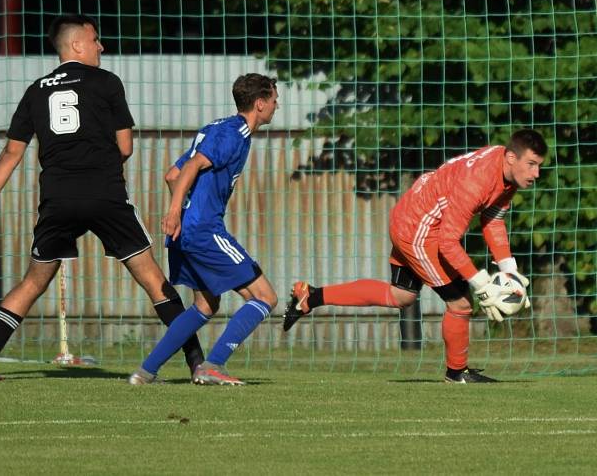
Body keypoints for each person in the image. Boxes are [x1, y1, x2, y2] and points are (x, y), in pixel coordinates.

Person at [0, 14, 203, 380]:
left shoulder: (36, 90)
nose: (101, 46)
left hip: (57, 199)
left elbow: (11, 153)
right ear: (76, 45)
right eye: (95, 39)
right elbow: (125, 147)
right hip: (105, 195)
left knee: (33, 281)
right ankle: (197, 362)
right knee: (152, 277)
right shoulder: (106, 82)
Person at [283, 129, 547, 383]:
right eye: (532, 164)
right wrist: (482, 284)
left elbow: (492, 221)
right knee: (461, 304)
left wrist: (508, 269)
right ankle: (457, 373)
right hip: (420, 229)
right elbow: (447, 243)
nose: (536, 173)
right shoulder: (478, 180)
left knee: (402, 296)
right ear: (512, 158)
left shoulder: (506, 174)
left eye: (539, 166)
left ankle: (311, 296)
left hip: (412, 215)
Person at [128, 73, 279, 386]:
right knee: (265, 296)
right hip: (203, 229)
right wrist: (177, 213)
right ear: (260, 104)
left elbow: (173, 175)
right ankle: (213, 365)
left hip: (186, 232)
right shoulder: (234, 133)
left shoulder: (217, 127)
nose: (277, 106)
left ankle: (145, 372)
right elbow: (194, 166)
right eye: (275, 101)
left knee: (205, 304)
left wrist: (180, 214)